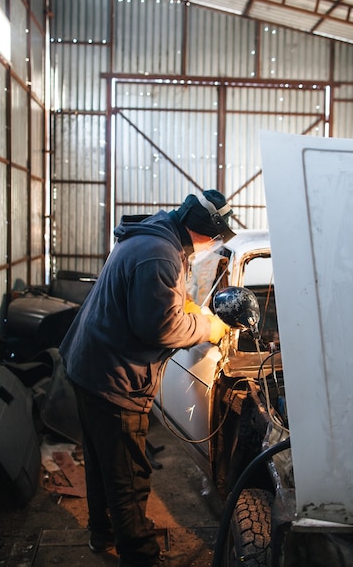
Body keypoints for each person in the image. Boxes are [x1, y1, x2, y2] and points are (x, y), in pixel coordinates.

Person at [59, 190, 235, 567]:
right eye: (216, 238)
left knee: (103, 462)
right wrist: (208, 326)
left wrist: (182, 303)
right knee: (129, 475)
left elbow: (157, 302)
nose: (212, 247)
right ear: (205, 232)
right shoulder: (160, 253)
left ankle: (102, 533)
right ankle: (139, 555)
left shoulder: (156, 236)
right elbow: (160, 328)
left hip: (90, 365)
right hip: (112, 378)